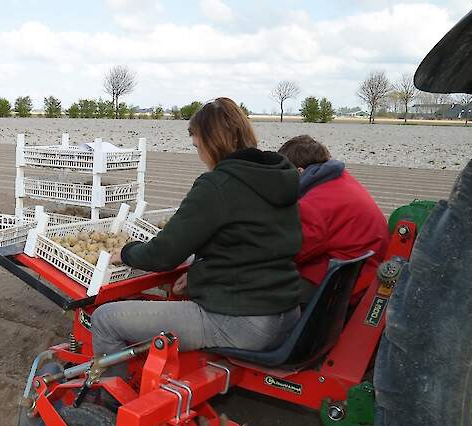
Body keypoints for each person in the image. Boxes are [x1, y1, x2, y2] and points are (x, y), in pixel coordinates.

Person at [91, 97, 302, 369]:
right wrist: (198, 274)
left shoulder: (219, 185)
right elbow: (248, 248)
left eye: (197, 145)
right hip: (286, 315)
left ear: (211, 142)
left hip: (243, 323)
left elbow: (164, 254)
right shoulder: (276, 177)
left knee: (106, 319)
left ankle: (111, 402)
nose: (199, 154)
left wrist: (127, 252)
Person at [277, 135, 389, 306]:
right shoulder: (339, 179)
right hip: (365, 268)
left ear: (298, 172)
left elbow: (289, 252)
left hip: (346, 285)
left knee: (266, 287)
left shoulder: (315, 204)